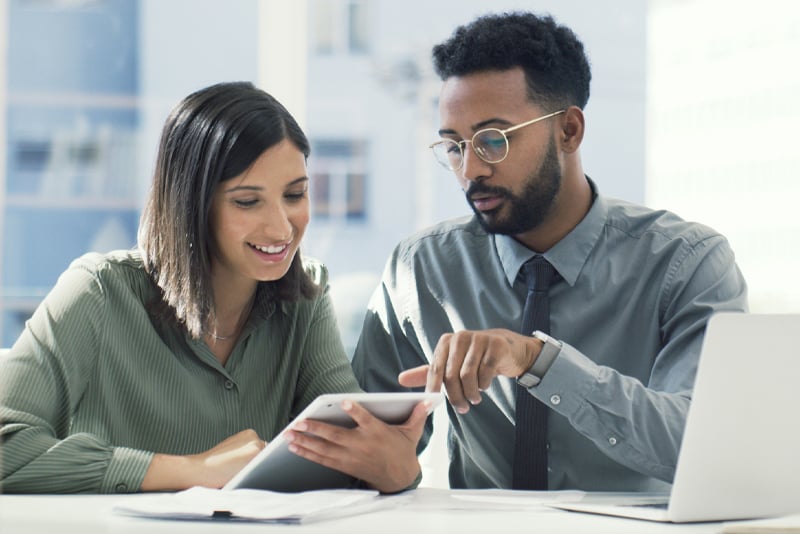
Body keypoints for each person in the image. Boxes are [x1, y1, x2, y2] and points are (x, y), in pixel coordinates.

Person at [352, 12, 748, 492]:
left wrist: (539, 362)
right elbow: (367, 448)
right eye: (454, 146)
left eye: (493, 140)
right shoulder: (420, 269)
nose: (470, 169)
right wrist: (386, 467)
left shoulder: (686, 262)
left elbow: (702, 448)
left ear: (569, 131)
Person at [0, 81, 429, 494]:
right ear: (191, 204)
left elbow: (346, 446)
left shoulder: (306, 297)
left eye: (295, 195)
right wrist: (190, 470)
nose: (282, 227)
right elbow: (6, 444)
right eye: (247, 201)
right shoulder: (97, 292)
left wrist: (395, 469)